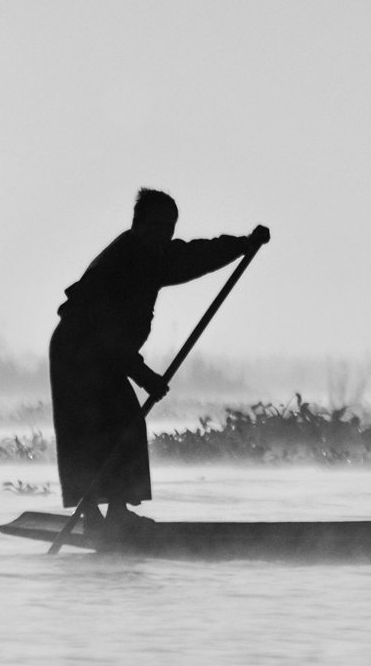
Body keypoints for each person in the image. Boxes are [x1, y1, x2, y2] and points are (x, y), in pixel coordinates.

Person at [49, 189, 268, 522]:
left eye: (170, 227)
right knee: (88, 429)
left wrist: (243, 245)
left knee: (126, 423)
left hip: (105, 354)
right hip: (77, 350)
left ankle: (117, 511)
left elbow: (196, 255)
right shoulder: (121, 263)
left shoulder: (156, 257)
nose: (164, 234)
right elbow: (106, 335)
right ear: (138, 225)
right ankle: (92, 515)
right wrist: (144, 376)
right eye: (157, 226)